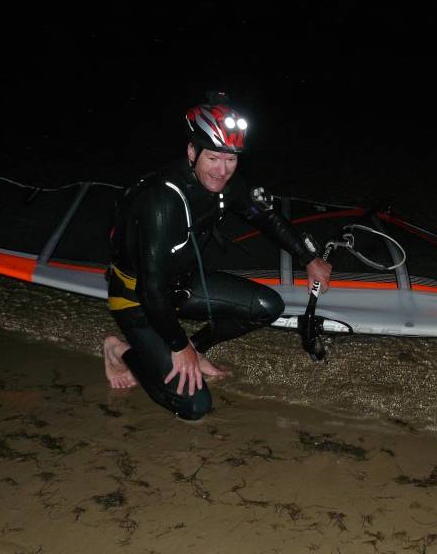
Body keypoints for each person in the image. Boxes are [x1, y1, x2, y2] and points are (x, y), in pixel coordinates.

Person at [102, 92, 332, 420]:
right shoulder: (161, 201)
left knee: (267, 307)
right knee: (193, 406)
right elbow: (150, 292)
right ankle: (119, 350)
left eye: (231, 159)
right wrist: (178, 347)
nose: (222, 171)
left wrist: (308, 258)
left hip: (182, 284)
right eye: (213, 158)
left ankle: (197, 348)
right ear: (192, 151)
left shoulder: (227, 184)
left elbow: (265, 216)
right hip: (137, 299)